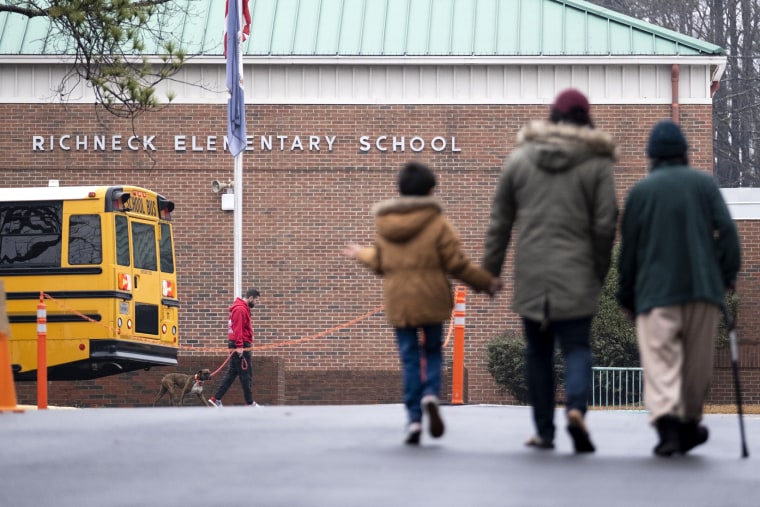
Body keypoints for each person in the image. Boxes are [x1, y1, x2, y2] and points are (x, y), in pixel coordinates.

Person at [482, 89, 618, 453]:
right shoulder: (596, 163)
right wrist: (599, 269)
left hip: (533, 275)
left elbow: (500, 221)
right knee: (576, 347)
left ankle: (544, 431)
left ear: (551, 118)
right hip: (577, 273)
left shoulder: (521, 159)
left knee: (537, 352)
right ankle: (575, 408)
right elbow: (606, 224)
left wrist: (490, 272)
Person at [342, 161, 500, 445]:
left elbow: (380, 262)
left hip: (400, 301)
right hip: (432, 298)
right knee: (433, 352)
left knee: (410, 357)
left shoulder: (386, 224)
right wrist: (485, 282)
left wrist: (359, 253)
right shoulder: (438, 223)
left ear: (399, 190)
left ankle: (414, 419)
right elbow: (457, 264)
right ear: (430, 191)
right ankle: (430, 394)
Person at [617, 120, 741, 457]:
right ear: (685, 153)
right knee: (696, 363)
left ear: (652, 157)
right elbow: (728, 233)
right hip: (702, 290)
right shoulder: (704, 185)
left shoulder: (641, 193)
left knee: (660, 361)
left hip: (655, 295)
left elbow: (628, 253)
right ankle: (688, 423)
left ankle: (668, 427)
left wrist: (626, 296)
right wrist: (726, 275)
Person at [208, 288, 261, 407]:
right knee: (246, 374)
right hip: (240, 345)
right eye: (256, 300)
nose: (257, 303)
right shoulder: (241, 309)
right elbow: (238, 329)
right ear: (251, 298)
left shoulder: (240, 308)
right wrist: (240, 347)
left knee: (232, 373)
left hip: (239, 344)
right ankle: (249, 403)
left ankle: (216, 399)